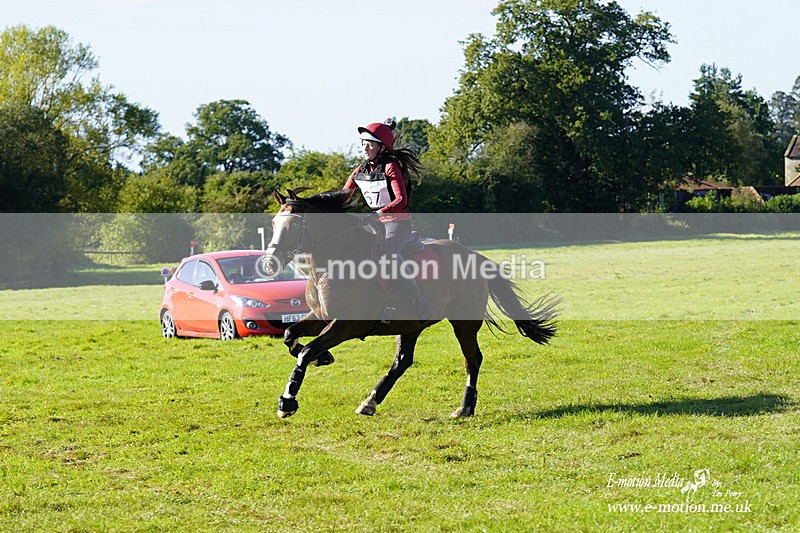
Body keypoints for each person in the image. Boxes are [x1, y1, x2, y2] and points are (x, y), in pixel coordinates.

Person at [343, 118, 434, 321]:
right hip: (375, 224)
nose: (365, 148)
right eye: (363, 143)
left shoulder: (391, 167)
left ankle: (418, 300)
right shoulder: (360, 170)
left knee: (388, 254)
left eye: (370, 144)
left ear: (381, 147)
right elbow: (343, 195)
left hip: (397, 224)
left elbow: (401, 200)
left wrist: (376, 215)